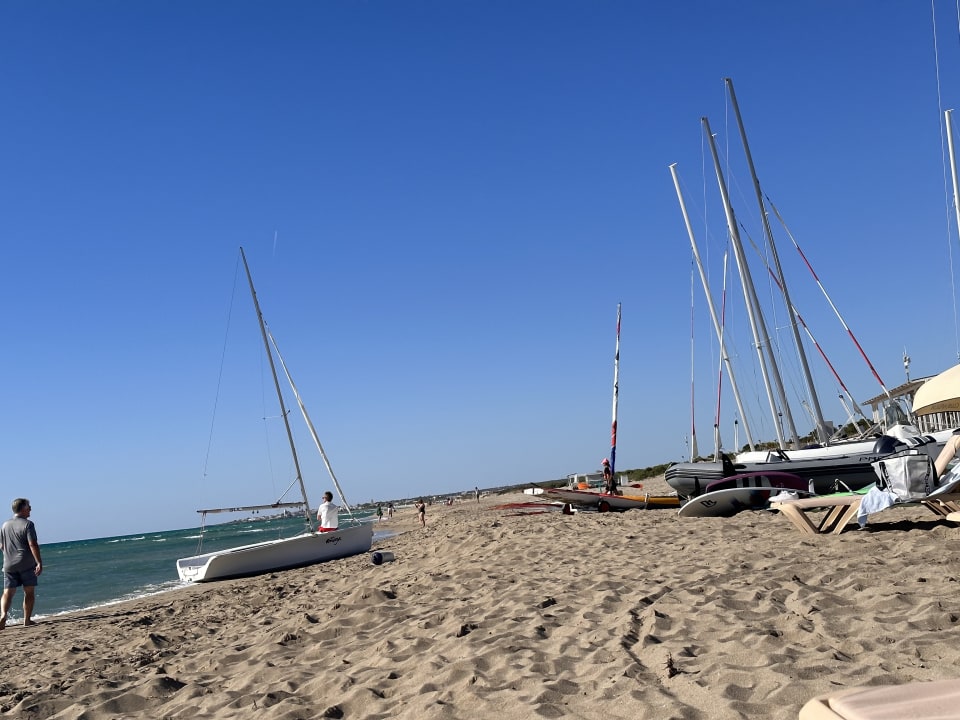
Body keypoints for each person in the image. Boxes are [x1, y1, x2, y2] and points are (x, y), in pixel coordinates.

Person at [1, 498, 42, 629]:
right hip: (26, 563)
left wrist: (9, 554)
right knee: (29, 591)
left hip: (9, 564)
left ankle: (3, 615)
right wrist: (38, 562)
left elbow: (2, 546)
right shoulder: (28, 524)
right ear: (23, 508)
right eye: (28, 507)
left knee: (7, 592)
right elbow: (32, 544)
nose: (30, 509)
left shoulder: (5, 525)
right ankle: (27, 620)